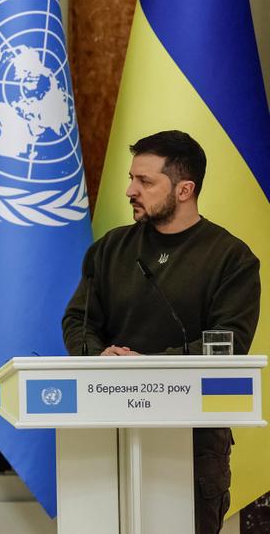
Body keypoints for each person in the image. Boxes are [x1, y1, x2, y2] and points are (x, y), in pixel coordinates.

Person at [62, 130, 259, 534]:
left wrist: (151, 365)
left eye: (145, 181)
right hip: (107, 428)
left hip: (191, 439)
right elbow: (78, 321)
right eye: (132, 178)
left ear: (185, 189)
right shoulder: (110, 249)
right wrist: (97, 356)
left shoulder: (231, 257)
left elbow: (230, 343)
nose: (130, 190)